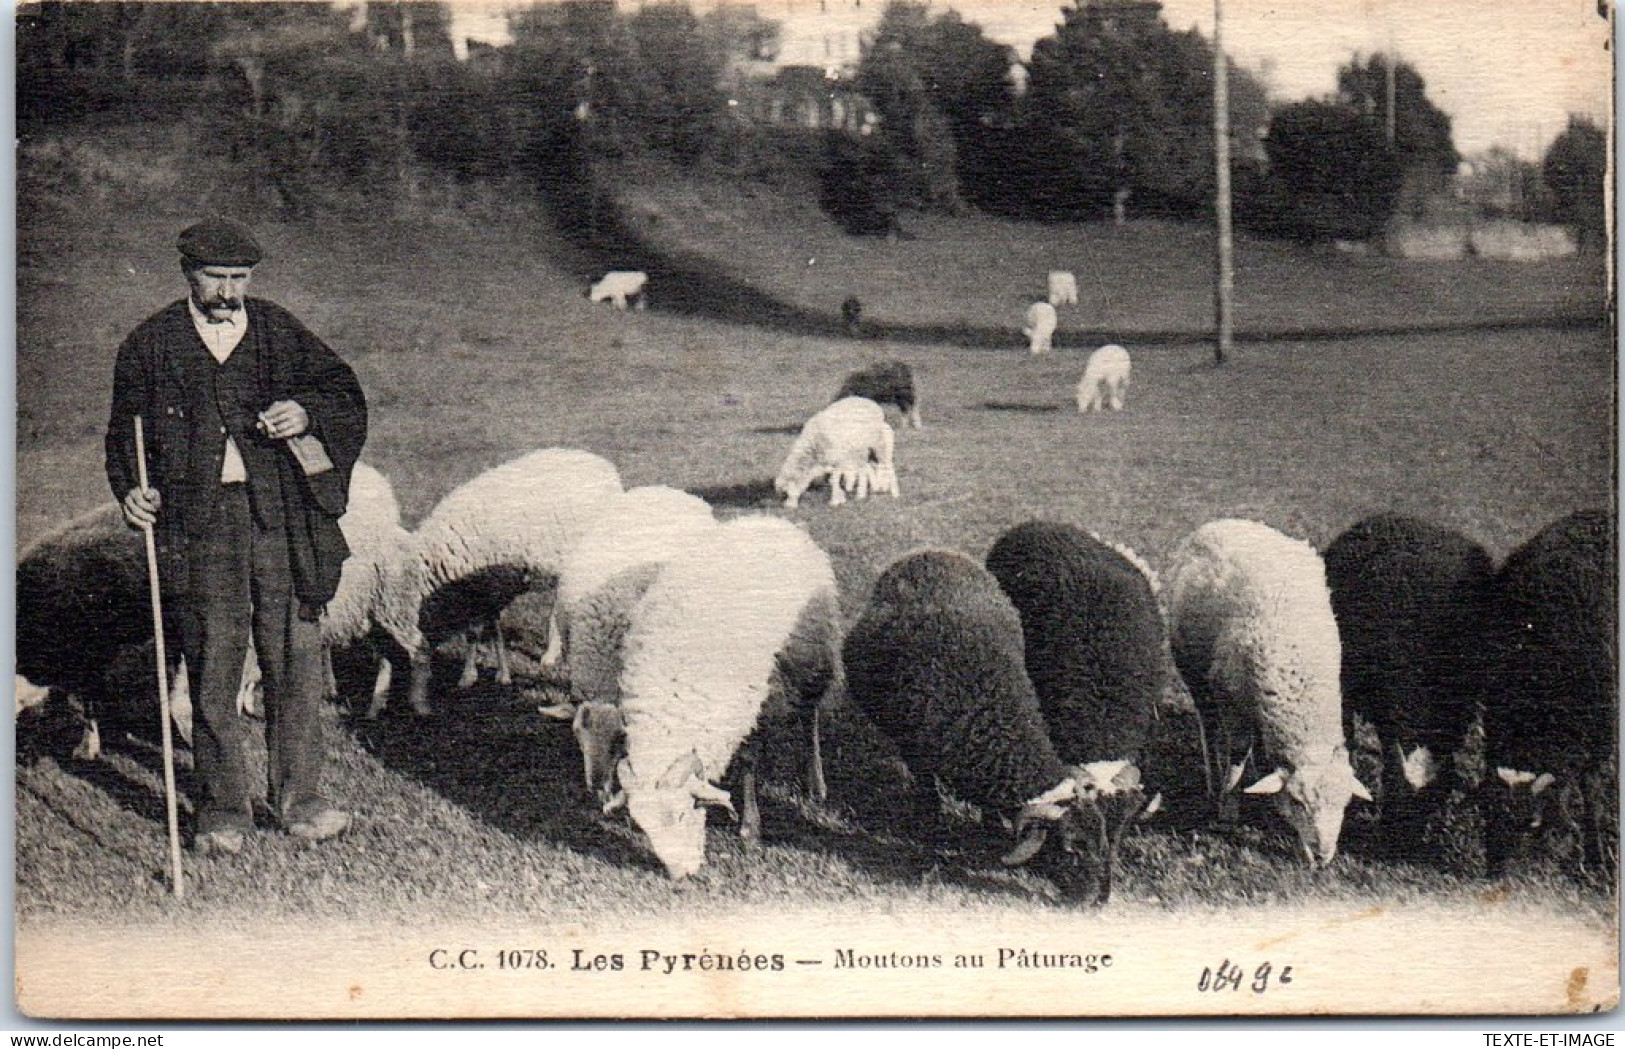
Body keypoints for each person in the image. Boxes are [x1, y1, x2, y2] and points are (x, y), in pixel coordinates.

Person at [105, 218, 368, 855]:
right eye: (216, 278)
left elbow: (344, 394)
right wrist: (132, 491)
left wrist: (305, 412)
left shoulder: (278, 330)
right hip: (199, 525)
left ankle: (299, 800)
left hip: (278, 516)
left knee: (294, 660)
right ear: (188, 274)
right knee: (214, 667)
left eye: (239, 279)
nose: (228, 292)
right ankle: (223, 810)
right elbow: (123, 438)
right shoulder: (151, 344)